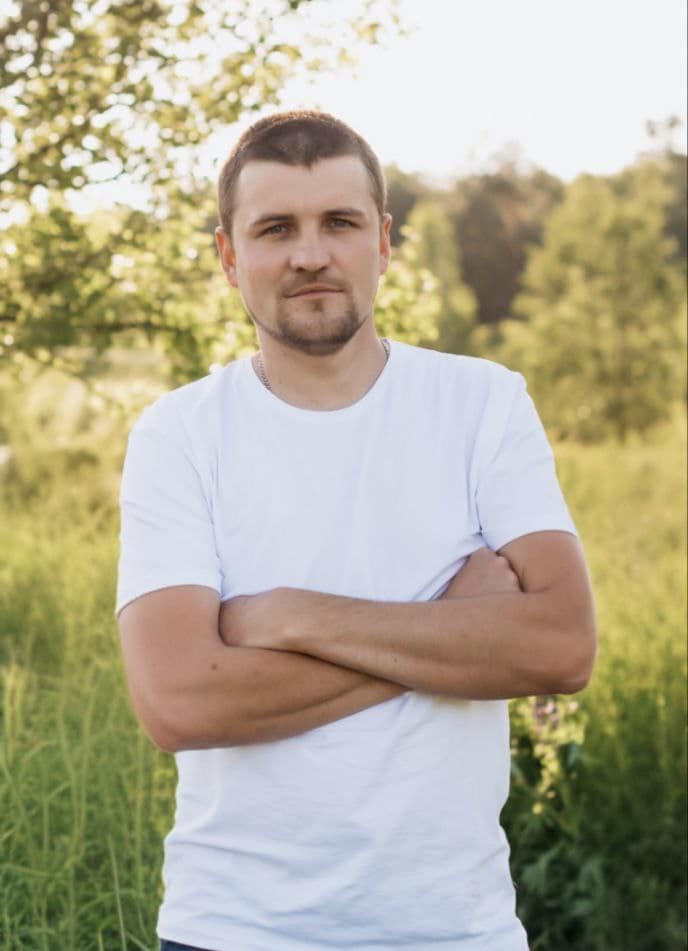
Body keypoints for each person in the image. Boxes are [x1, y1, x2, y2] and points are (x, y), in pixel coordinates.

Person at [116, 110, 597, 951]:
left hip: (455, 931)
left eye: (338, 222)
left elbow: (561, 646)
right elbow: (178, 700)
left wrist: (292, 616)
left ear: (383, 241)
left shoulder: (483, 404)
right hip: (233, 930)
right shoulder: (180, 433)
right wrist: (451, 626)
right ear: (229, 256)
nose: (310, 254)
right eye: (275, 228)